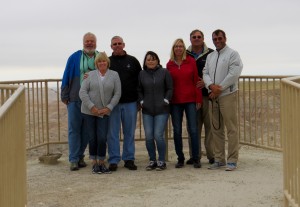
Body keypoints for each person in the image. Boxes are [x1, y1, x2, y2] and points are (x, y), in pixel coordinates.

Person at [203, 29, 243, 171]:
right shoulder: (211, 56)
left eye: (220, 38)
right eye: (215, 39)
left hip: (227, 95)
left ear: (225, 38)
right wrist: (210, 86)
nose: (217, 41)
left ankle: (232, 160)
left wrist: (219, 89)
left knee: (231, 128)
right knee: (216, 128)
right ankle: (219, 159)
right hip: (214, 96)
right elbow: (205, 72)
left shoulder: (233, 54)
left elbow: (234, 74)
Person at [61, 32, 98, 171]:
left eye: (92, 41)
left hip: (93, 100)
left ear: (96, 42)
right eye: (87, 41)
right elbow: (66, 75)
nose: (89, 43)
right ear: (83, 42)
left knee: (87, 131)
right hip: (75, 98)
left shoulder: (99, 56)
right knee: (74, 129)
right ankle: (73, 159)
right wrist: (64, 95)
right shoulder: (74, 57)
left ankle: (80, 155)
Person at [79, 52, 121, 174]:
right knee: (92, 138)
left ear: (107, 62)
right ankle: (94, 162)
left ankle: (102, 162)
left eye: (104, 61)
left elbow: (117, 93)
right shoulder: (89, 75)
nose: (102, 63)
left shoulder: (114, 75)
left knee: (102, 137)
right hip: (89, 111)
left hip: (104, 112)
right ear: (96, 64)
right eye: (99, 61)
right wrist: (92, 107)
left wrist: (109, 107)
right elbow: (82, 92)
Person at [107, 36, 142, 171]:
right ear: (111, 46)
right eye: (114, 44)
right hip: (112, 104)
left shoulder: (133, 61)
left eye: (119, 43)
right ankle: (114, 159)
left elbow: (140, 82)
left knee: (129, 132)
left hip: (130, 103)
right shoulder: (107, 62)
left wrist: (139, 100)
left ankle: (129, 158)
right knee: (113, 133)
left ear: (124, 45)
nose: (117, 46)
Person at [166, 38, 202, 168]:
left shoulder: (191, 62)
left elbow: (196, 81)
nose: (178, 48)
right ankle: (180, 158)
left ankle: (196, 158)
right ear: (173, 49)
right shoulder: (169, 64)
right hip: (175, 102)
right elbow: (168, 85)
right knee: (177, 131)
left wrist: (198, 98)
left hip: (191, 100)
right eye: (176, 46)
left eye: (181, 46)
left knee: (193, 130)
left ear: (184, 48)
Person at [137, 51, 173, 171]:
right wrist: (142, 101)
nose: (151, 61)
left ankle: (161, 161)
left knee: (158, 135)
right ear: (145, 62)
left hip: (162, 109)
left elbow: (170, 88)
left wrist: (166, 100)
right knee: (148, 136)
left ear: (157, 60)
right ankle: (152, 160)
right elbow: (139, 90)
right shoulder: (141, 74)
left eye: (153, 59)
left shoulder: (164, 72)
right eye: (148, 59)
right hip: (147, 110)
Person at [186, 29, 215, 165]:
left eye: (199, 36)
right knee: (193, 127)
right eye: (194, 37)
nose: (196, 39)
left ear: (203, 38)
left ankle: (212, 155)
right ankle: (194, 156)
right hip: (191, 98)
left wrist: (206, 82)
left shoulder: (211, 53)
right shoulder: (185, 54)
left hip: (208, 96)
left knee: (210, 127)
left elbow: (216, 72)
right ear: (190, 39)